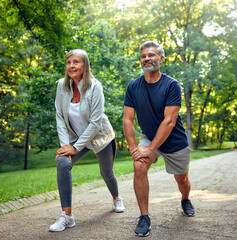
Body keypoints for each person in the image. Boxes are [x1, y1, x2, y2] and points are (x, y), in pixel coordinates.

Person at [123, 41, 194, 237]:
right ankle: (144, 216)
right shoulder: (133, 86)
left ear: (161, 59)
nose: (147, 59)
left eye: (151, 55)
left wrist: (150, 147)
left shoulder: (171, 85)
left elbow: (169, 121)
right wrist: (134, 148)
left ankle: (185, 199)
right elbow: (128, 120)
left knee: (182, 180)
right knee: (139, 165)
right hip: (149, 137)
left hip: (174, 141)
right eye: (143, 56)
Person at [49, 49, 125, 232]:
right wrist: (65, 146)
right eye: (68, 62)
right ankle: (67, 216)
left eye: (76, 62)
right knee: (62, 162)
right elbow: (59, 116)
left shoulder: (95, 87)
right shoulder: (62, 86)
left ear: (85, 65)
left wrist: (75, 147)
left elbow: (96, 123)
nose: (71, 66)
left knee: (106, 173)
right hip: (76, 139)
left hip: (100, 137)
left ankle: (116, 198)